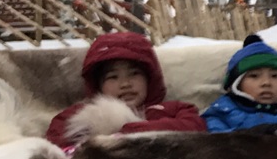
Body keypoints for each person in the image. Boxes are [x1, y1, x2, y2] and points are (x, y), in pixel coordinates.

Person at [44, 32, 208, 150]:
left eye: (134, 74)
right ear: (98, 85)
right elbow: (56, 140)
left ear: (150, 78)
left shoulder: (174, 109)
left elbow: (195, 128)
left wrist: (129, 129)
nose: (125, 84)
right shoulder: (81, 114)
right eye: (113, 77)